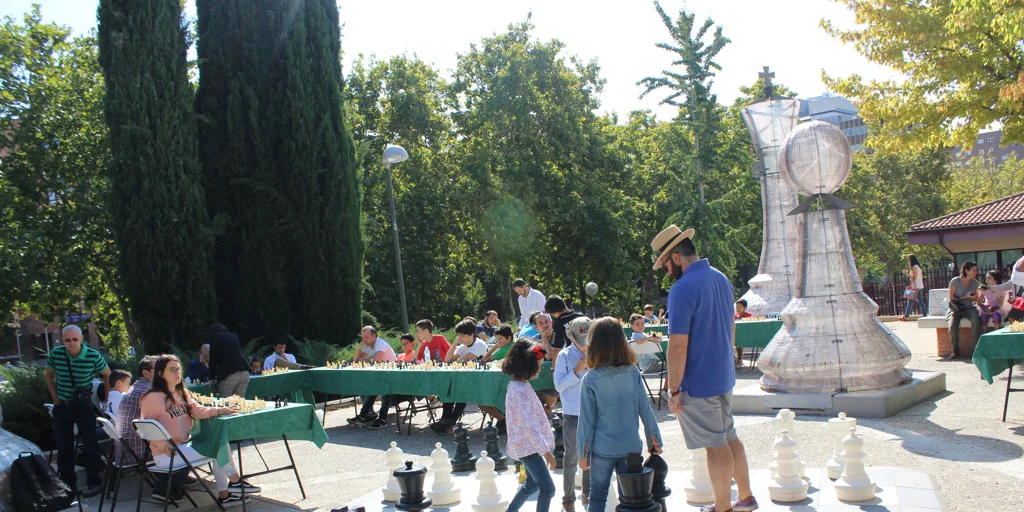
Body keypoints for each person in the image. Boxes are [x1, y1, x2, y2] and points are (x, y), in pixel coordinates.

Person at [651, 225, 755, 512]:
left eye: (664, 265)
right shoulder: (720, 277)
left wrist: (673, 389)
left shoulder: (682, 289)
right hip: (723, 374)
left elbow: (678, 346)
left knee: (715, 445)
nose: (665, 272)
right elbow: (731, 327)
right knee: (729, 436)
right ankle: (745, 496)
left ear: (675, 257)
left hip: (698, 381)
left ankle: (722, 507)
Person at [140, 355, 260, 506]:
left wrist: (219, 410)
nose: (177, 373)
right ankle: (235, 482)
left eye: (178, 369)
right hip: (166, 455)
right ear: (160, 374)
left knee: (219, 445)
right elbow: (144, 428)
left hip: (183, 446)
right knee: (217, 446)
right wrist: (163, 444)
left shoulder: (181, 392)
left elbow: (197, 410)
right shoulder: (151, 398)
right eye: (172, 370)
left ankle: (226, 495)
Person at [577, 317, 662, 512]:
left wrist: (583, 453)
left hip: (602, 448)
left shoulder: (590, 379)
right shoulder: (633, 373)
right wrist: (654, 440)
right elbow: (645, 410)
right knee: (632, 499)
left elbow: (586, 422)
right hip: (631, 446)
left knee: (597, 496)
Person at [44, 324, 110, 497]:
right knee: (64, 448)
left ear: (81, 339)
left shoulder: (92, 355)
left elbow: (108, 374)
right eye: (67, 340)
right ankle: (68, 486)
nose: (71, 343)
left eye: (75, 339)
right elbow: (48, 374)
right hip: (63, 406)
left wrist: (107, 399)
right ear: (62, 340)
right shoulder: (57, 354)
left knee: (90, 446)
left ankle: (94, 483)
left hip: (83, 406)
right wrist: (55, 398)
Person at [503, 340, 557, 512]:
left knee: (531, 485)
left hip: (527, 445)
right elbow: (529, 426)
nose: (539, 369)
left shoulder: (518, 385)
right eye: (538, 365)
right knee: (548, 489)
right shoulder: (519, 390)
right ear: (527, 365)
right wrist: (546, 453)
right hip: (529, 447)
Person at [553, 317, 592, 510]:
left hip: (594, 412)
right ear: (571, 337)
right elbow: (558, 386)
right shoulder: (564, 356)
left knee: (591, 455)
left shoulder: (599, 352)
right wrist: (577, 371)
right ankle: (568, 498)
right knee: (571, 457)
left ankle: (588, 493)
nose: (586, 345)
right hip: (572, 413)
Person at [430, 319, 489, 434]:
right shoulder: (463, 346)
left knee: (461, 391)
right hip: (465, 380)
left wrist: (456, 359)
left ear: (472, 334)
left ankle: (450, 422)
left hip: (481, 381)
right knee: (449, 388)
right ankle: (445, 420)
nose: (460, 338)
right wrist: (455, 342)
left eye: (462, 336)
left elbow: (463, 360)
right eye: (458, 336)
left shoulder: (479, 344)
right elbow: (448, 360)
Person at [349, 327, 399, 429]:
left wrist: (363, 361)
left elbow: (374, 359)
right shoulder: (368, 345)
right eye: (363, 337)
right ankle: (364, 415)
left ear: (374, 336)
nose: (364, 340)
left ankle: (382, 419)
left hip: (393, 376)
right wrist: (358, 349)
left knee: (382, 388)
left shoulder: (381, 344)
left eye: (366, 337)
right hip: (381, 376)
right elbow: (356, 361)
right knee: (373, 387)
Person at [115, 356, 157, 465]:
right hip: (139, 453)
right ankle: (177, 479)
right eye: (159, 368)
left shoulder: (137, 386)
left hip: (125, 452)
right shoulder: (149, 390)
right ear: (146, 373)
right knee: (183, 438)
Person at [946, 261, 982, 360]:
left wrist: (977, 296)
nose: (976, 272)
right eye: (974, 270)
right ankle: (954, 351)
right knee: (953, 326)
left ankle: (976, 350)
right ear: (966, 270)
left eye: (976, 270)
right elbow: (951, 298)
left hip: (968, 307)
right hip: (956, 308)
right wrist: (964, 297)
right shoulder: (955, 281)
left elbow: (977, 300)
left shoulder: (975, 283)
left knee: (976, 319)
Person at [207, 323, 250, 398]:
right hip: (244, 372)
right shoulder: (234, 335)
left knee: (225, 404)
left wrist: (211, 377)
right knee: (239, 404)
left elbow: (213, 358)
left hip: (228, 374)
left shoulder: (215, 337)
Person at [900, 254, 926, 321]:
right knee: (920, 301)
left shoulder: (914, 267)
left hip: (915, 286)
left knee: (910, 301)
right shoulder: (918, 267)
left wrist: (907, 273)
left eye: (909, 259)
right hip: (919, 285)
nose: (908, 261)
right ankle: (925, 315)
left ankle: (906, 316)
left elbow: (914, 277)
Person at [734, 299, 753, 365]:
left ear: (745, 308)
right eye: (737, 307)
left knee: (740, 342)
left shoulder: (749, 316)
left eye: (740, 307)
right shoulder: (735, 316)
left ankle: (739, 358)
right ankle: (738, 357)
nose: (738, 309)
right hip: (738, 335)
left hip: (747, 335)